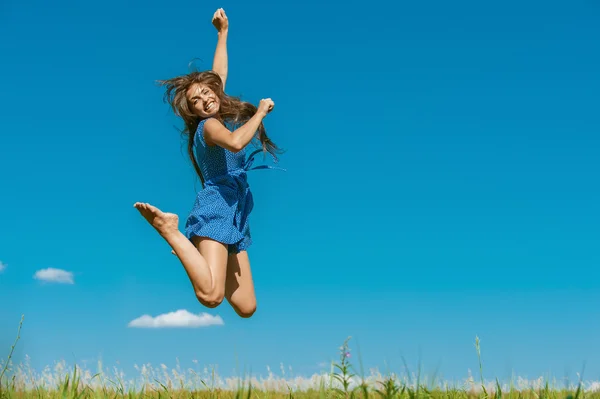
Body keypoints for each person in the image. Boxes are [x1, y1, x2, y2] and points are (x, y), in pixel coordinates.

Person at [134, 8, 283, 318]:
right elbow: (237, 142)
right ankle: (171, 230)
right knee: (211, 296)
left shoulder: (214, 111)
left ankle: (195, 252)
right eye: (196, 103)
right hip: (215, 207)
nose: (204, 101)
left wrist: (222, 33)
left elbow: (219, 74)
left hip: (235, 214)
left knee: (246, 307)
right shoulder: (210, 127)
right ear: (193, 113)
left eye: (206, 94)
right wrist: (259, 112)